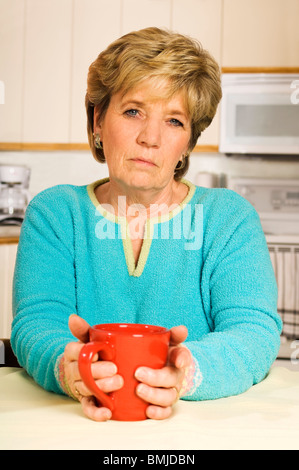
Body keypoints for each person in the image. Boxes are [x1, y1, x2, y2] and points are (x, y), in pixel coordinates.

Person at [11, 27, 282, 422]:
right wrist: (66, 368)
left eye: (174, 121)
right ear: (99, 120)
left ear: (188, 142)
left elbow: (254, 331)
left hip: (200, 433)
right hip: (78, 426)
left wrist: (185, 371)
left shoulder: (229, 218)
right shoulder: (54, 213)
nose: (150, 137)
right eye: (133, 111)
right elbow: (36, 323)